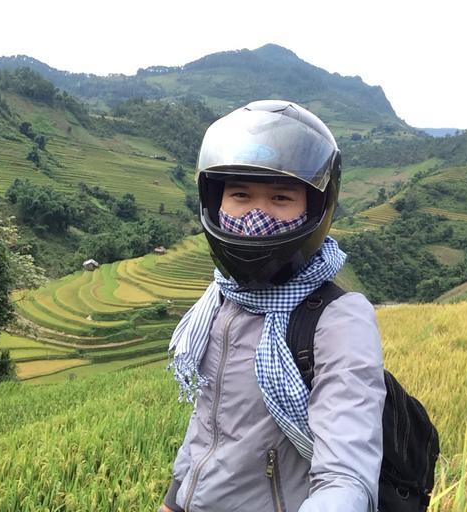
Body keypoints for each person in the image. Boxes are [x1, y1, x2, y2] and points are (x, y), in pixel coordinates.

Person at [160, 100, 386, 512]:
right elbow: (207, 423)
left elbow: (346, 469)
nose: (255, 217)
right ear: (215, 201)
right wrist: (175, 498)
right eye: (240, 195)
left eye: (281, 197)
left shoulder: (339, 318)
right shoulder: (220, 301)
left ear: (315, 208)